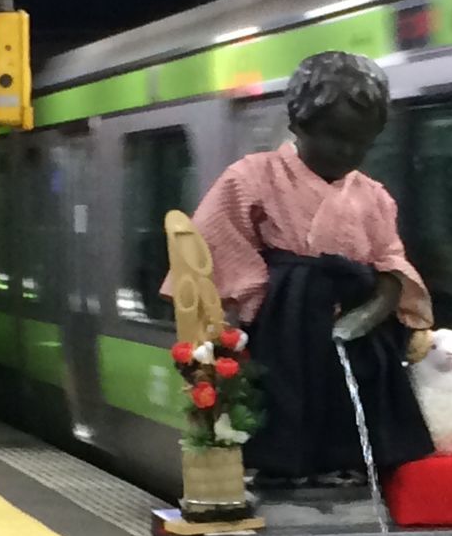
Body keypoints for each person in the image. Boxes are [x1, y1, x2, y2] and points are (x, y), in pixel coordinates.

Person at [161, 51, 435, 484]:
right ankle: (282, 471)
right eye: (332, 135)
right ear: (298, 122)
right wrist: (253, 306)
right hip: (283, 326)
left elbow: (391, 267)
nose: (346, 151)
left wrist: (372, 311)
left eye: (361, 142)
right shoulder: (251, 177)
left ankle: (349, 469)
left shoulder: (375, 196)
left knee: (356, 414)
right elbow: (214, 246)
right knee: (281, 406)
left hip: (355, 332)